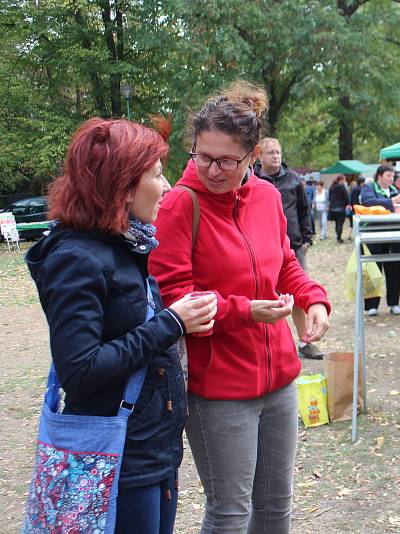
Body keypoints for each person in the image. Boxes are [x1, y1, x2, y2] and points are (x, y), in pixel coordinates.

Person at [149, 81, 331, 533]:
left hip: (279, 378)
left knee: (275, 509)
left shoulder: (267, 197)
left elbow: (285, 262)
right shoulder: (178, 205)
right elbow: (175, 300)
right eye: (202, 156)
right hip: (219, 388)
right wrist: (244, 311)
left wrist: (312, 299)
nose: (212, 170)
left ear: (252, 157)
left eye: (227, 160)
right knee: (230, 513)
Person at [25, 118, 217, 533]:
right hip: (114, 457)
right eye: (157, 174)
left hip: (151, 448)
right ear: (122, 184)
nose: (166, 188)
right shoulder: (75, 259)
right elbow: (81, 371)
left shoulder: (128, 244)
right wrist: (172, 322)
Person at [254, 137, 322, 360]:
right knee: (265, 295)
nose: (276, 156)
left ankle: (305, 341)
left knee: (297, 294)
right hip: (260, 247)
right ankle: (270, 347)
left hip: (292, 244)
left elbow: (305, 210)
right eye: (271, 152)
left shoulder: (293, 179)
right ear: (259, 155)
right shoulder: (251, 179)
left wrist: (306, 238)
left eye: (278, 152)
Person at [359, 164, 400, 315]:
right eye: (388, 175)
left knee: (394, 268)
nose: (391, 179)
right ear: (379, 176)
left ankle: (394, 303)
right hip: (373, 234)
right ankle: (371, 305)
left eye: (393, 176)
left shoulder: (395, 189)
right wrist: (392, 201)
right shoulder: (369, 187)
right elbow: (368, 202)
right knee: (373, 270)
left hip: (393, 233)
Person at [329, 174, 349, 243]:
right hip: (341, 208)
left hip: (333, 208)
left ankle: (338, 236)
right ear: (341, 180)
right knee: (340, 223)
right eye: (344, 180)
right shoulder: (342, 187)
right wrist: (346, 204)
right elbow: (346, 197)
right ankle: (339, 238)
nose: (344, 181)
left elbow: (330, 197)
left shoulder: (332, 187)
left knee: (337, 223)